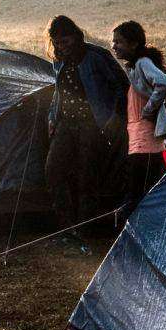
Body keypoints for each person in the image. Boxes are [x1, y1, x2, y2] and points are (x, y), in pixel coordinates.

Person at [45, 15, 127, 241]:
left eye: (66, 41)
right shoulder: (59, 60)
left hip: (93, 125)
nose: (62, 46)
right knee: (53, 171)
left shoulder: (96, 57)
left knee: (87, 176)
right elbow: (59, 91)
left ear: (76, 36)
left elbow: (121, 86)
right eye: (58, 42)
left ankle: (84, 231)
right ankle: (66, 228)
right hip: (65, 124)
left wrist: (113, 118)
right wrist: (53, 116)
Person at [111, 20, 166, 208]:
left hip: (146, 138)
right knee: (140, 184)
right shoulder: (134, 66)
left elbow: (164, 83)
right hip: (138, 136)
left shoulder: (142, 63)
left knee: (140, 188)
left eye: (119, 42)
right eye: (113, 42)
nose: (114, 46)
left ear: (134, 44)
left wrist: (148, 109)